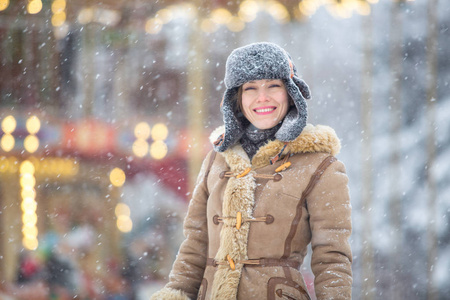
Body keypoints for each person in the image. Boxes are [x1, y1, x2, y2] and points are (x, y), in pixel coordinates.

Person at [151, 42, 352, 300]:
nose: (262, 97)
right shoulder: (217, 159)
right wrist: (176, 292)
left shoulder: (320, 166)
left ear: (290, 93)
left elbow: (332, 257)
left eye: (273, 86)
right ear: (237, 98)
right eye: (250, 88)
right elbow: (195, 245)